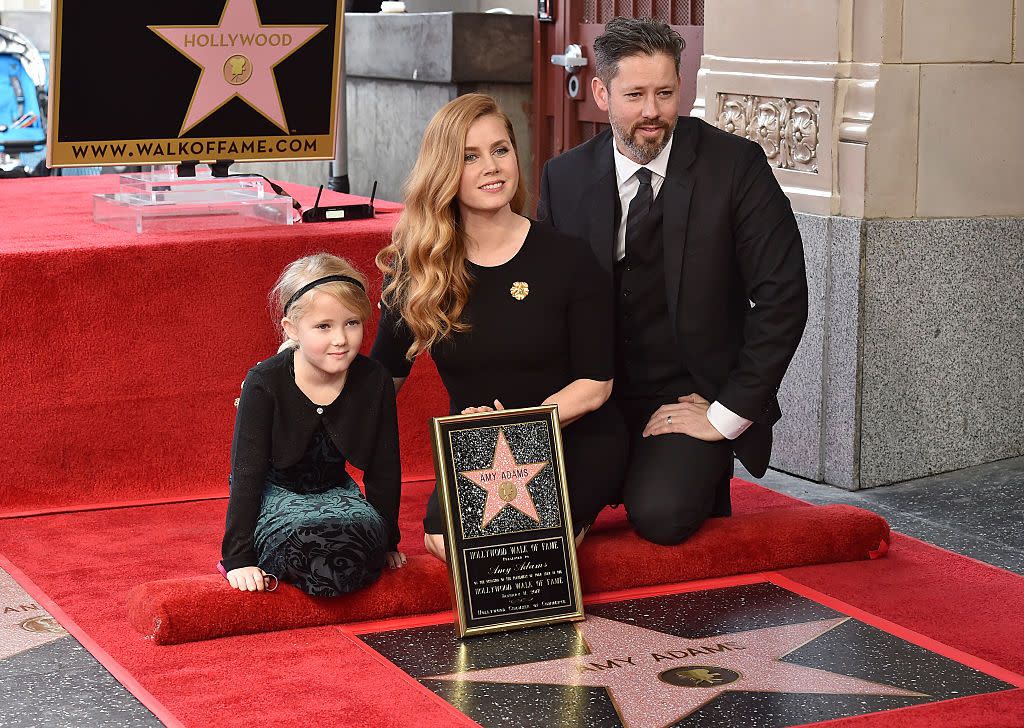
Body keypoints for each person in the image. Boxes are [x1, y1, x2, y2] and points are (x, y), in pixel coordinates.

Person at [538, 17, 808, 545]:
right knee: (537, 516)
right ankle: (616, 469)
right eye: (634, 94)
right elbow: (546, 305)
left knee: (661, 516)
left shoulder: (736, 166)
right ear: (600, 92)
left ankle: (686, 470)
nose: (651, 112)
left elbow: (783, 297)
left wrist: (725, 414)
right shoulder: (563, 177)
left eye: (665, 92)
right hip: (596, 398)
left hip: (691, 395)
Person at [371, 93, 627, 561]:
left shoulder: (568, 258)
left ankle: (570, 528)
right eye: (470, 157)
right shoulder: (421, 269)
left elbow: (595, 384)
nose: (491, 166)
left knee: (519, 549)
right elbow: (379, 381)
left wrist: (517, 427)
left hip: (571, 437)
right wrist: (297, 386)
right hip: (479, 452)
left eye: (500, 150)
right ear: (444, 171)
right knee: (447, 541)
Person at [220, 254, 406, 595]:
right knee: (307, 537)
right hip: (277, 493)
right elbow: (247, 474)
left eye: (352, 323)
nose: (340, 339)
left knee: (360, 534)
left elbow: (384, 467)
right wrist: (237, 558)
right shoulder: (265, 382)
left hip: (334, 494)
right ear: (292, 328)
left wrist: (388, 538)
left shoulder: (374, 379)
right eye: (324, 326)